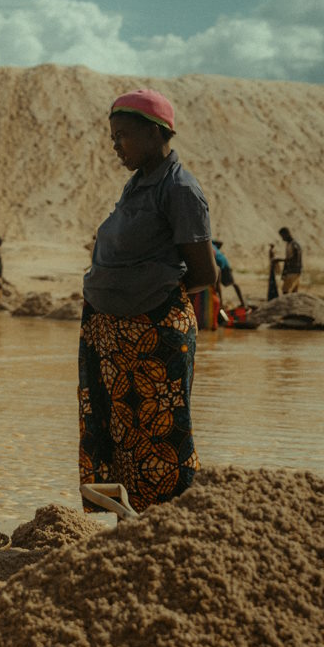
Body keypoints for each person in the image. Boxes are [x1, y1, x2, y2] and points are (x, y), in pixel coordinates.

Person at [79, 89, 216, 514]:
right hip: (114, 337)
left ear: (157, 133)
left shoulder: (180, 190)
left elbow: (204, 274)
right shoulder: (137, 183)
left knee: (161, 436)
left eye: (123, 136)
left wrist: (149, 302)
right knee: (120, 435)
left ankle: (169, 525)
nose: (116, 146)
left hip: (151, 338)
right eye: (112, 137)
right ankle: (130, 524)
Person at [211, 240, 246, 310]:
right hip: (223, 261)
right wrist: (218, 250)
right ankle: (242, 303)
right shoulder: (210, 241)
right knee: (232, 283)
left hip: (217, 263)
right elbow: (220, 242)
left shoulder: (206, 242)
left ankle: (221, 305)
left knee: (217, 285)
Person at [272, 227, 302, 294]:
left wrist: (281, 260)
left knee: (286, 291)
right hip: (293, 271)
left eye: (282, 236)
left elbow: (295, 258)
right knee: (294, 293)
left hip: (293, 272)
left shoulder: (294, 245)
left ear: (286, 234)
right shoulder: (290, 244)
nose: (282, 239)